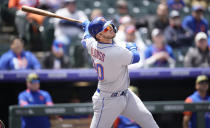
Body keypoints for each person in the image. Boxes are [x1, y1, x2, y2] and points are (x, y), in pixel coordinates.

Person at [81, 17, 159, 128]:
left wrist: (86, 28)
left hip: (126, 95)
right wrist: (132, 46)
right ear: (99, 36)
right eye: (106, 29)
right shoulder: (114, 52)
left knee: (147, 119)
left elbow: (85, 39)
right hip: (107, 100)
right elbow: (135, 57)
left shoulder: (92, 44)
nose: (111, 29)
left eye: (109, 26)